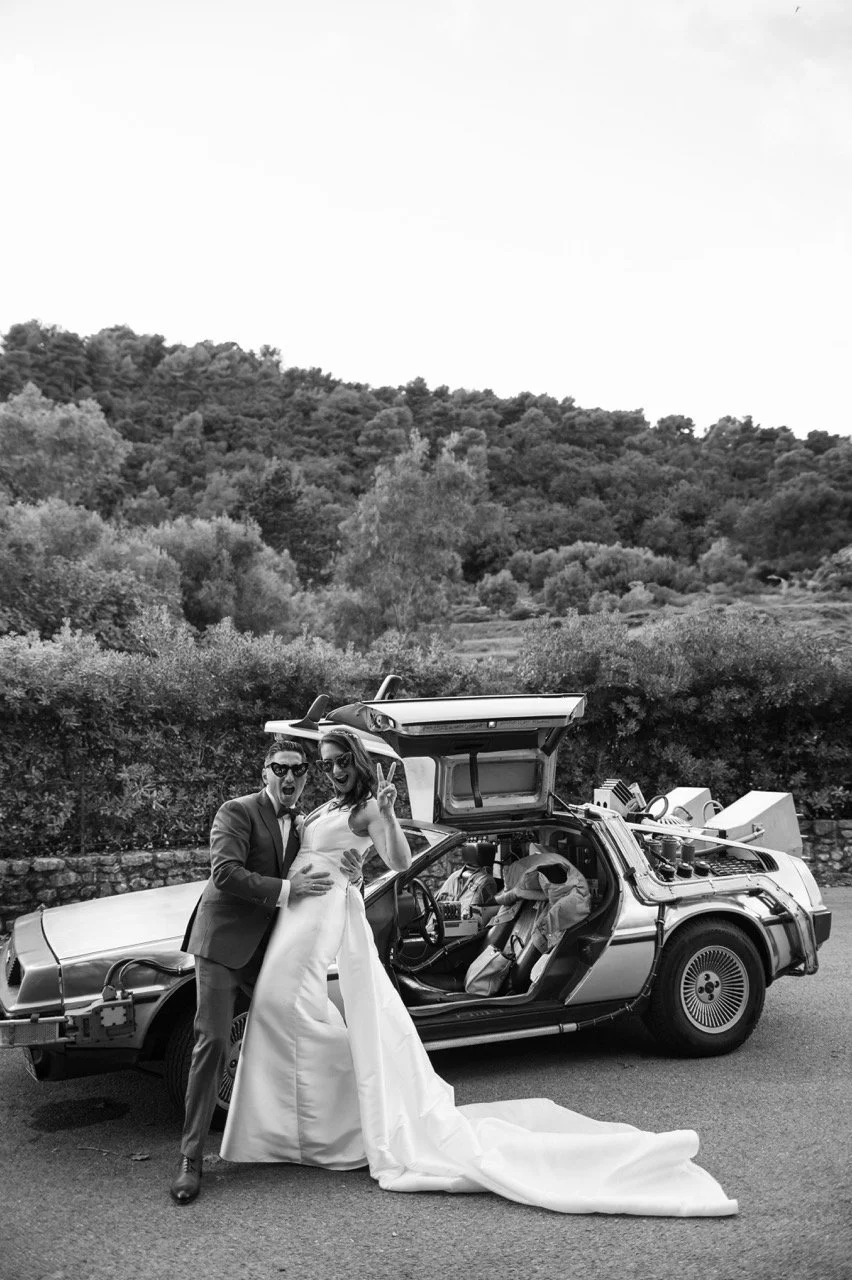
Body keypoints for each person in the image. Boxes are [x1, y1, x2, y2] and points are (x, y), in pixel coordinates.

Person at [220, 730, 738, 1217]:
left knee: (288, 1013)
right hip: (302, 912)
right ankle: (308, 1120)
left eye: (339, 761)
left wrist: (388, 815)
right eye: (324, 763)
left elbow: (400, 860)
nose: (331, 770)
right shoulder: (325, 807)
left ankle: (328, 1116)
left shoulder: (367, 810)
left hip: (322, 916)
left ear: (356, 762)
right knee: (284, 1015)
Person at [169, 738, 362, 1205]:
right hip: (222, 944)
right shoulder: (235, 811)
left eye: (298, 770)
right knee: (213, 1039)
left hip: (271, 950)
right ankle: (191, 1158)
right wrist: (286, 889)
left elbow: (324, 862)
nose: (290, 778)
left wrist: (352, 872)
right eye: (281, 769)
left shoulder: (305, 822)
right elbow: (225, 873)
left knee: (293, 1025)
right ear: (265, 771)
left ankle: (290, 1134)